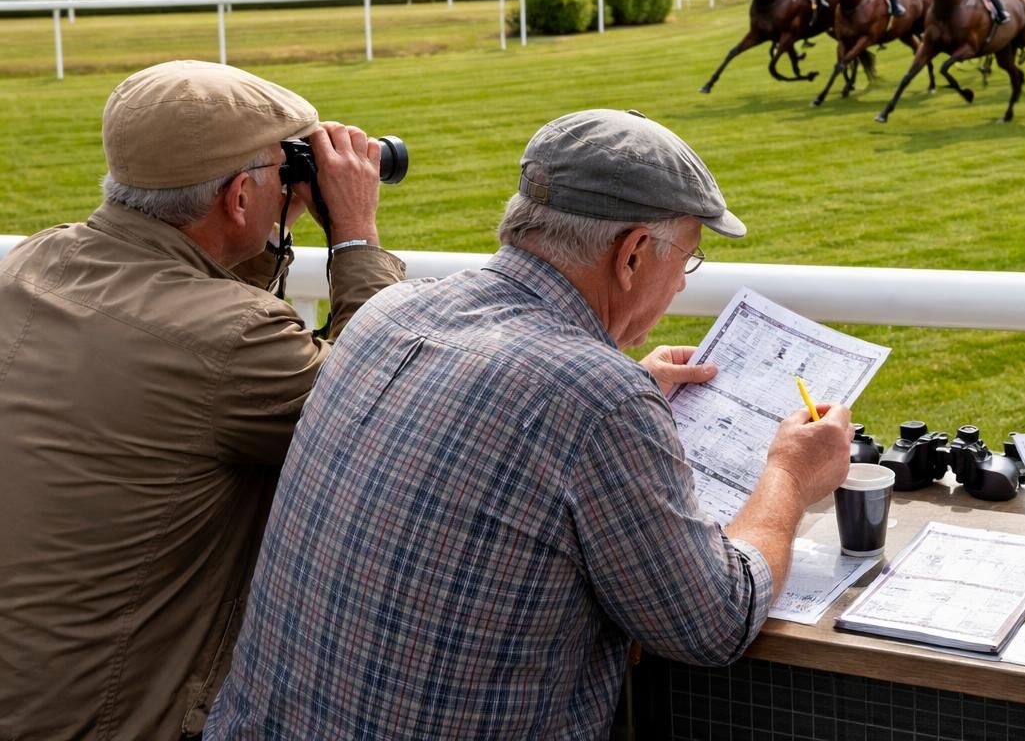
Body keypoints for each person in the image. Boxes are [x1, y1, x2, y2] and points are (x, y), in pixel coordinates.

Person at [204, 110, 856, 740]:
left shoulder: (390, 310)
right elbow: (714, 622)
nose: (682, 285)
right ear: (632, 254)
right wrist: (790, 475)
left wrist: (619, 390)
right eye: (687, 259)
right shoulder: (599, 398)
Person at [0, 60, 404, 740]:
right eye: (282, 168)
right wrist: (355, 235)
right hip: (109, 719)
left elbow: (198, 321)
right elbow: (383, 407)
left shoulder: (33, 263)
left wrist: (264, 221)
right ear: (240, 196)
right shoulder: (233, 341)